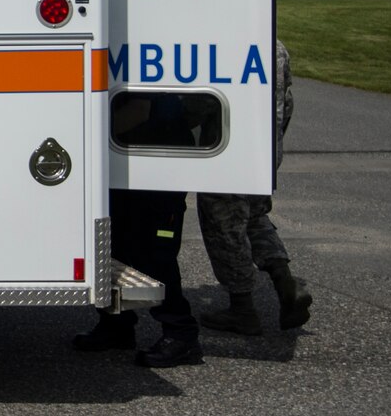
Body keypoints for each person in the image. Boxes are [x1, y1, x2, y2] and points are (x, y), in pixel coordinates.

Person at [75, 94, 201, 367]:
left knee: (154, 255)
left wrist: (81, 136)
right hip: (127, 161)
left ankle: (181, 334)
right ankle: (116, 326)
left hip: (157, 162)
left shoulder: (139, 60)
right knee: (111, 245)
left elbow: (138, 110)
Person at [196, 40, 313, 334]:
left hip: (227, 153)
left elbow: (200, 107)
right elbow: (287, 103)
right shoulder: (276, 47)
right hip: (263, 151)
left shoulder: (220, 46)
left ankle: (242, 309)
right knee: (254, 217)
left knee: (224, 228)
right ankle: (285, 283)